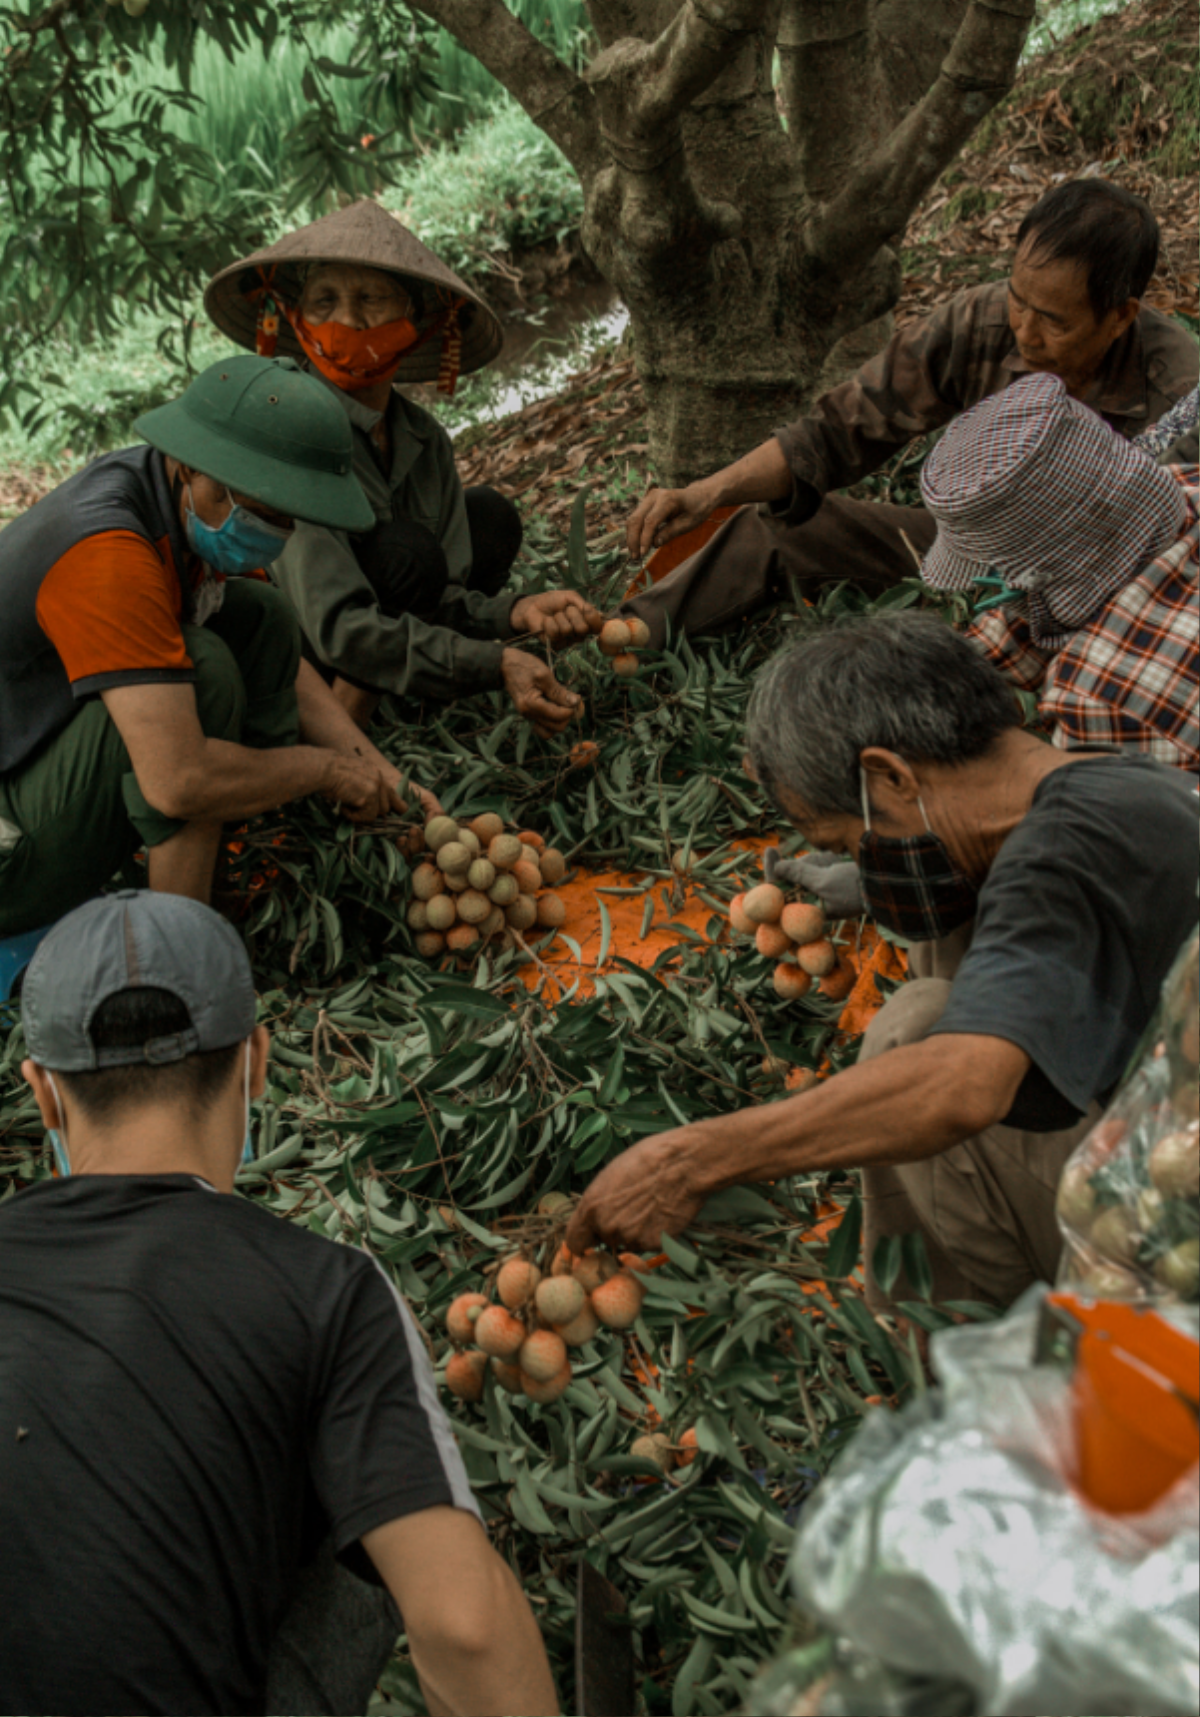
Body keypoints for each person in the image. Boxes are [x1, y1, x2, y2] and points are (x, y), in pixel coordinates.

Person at [0, 889, 559, 1717]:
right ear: (257, 1060)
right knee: (371, 1507)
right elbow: (465, 1628)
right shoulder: (328, 1291)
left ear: (42, 1092)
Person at [565, 613, 1200, 1312]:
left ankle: (977, 1365)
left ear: (891, 775)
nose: (856, 856)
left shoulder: (1059, 853)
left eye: (847, 837)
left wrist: (693, 1160)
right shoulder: (1107, 780)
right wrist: (873, 883)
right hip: (1169, 1111)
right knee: (950, 928)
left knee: (912, 1035)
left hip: (1178, 1236)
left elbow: (959, 1089)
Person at [621, 178, 1199, 645]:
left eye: (1054, 321)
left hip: (1095, 594)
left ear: (1121, 316)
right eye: (1019, 301)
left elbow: (1169, 567)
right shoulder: (983, 321)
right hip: (966, 552)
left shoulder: (1180, 399)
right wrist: (707, 493)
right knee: (774, 529)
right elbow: (839, 428)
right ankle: (626, 637)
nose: (1026, 332)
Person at [0, 353, 439, 941]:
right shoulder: (108, 555)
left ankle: (226, 858)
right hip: (10, 852)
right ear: (189, 467)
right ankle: (182, 952)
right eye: (259, 510)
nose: (273, 529)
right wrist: (325, 772)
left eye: (287, 517)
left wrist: (383, 775)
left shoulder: (171, 502)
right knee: (202, 677)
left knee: (261, 617)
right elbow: (178, 781)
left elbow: (290, 673)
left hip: (41, 758)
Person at [205, 200, 601, 736]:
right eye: (325, 300)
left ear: (416, 321)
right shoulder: (291, 434)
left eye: (369, 298)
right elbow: (339, 627)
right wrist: (492, 662)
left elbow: (444, 597)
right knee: (408, 554)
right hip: (302, 652)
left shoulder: (424, 438)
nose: (347, 319)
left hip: (387, 615)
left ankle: (407, 683)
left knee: (488, 516)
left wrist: (518, 613)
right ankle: (340, 726)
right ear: (295, 317)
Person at [918, 371, 1198, 773]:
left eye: (999, 567)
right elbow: (1042, 607)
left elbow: (1120, 823)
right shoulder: (1177, 488)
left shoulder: (1099, 700)